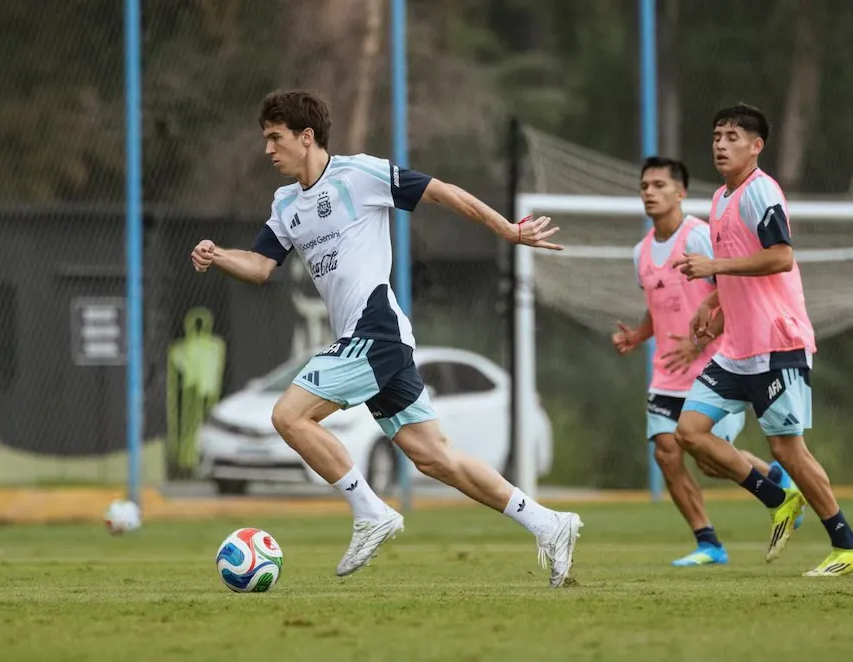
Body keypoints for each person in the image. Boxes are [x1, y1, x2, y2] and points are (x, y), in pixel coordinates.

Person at [190, 89, 583, 588]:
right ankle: (550, 525)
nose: (268, 149)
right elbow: (261, 266)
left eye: (275, 137)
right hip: (375, 344)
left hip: (375, 332)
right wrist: (218, 255)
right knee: (436, 457)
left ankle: (371, 512)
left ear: (306, 136)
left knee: (288, 415)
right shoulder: (286, 202)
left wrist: (506, 229)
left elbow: (443, 192)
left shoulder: (360, 174)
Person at [671, 103, 853, 576]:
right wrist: (713, 306)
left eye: (732, 136)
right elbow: (737, 270)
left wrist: (713, 269)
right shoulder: (720, 199)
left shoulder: (760, 191)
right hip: (737, 350)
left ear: (757, 146)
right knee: (689, 432)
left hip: (777, 342)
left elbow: (780, 258)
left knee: (786, 448)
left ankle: (846, 545)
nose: (721, 144)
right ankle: (778, 499)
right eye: (716, 135)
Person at [613, 156, 800, 567]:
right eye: (644, 185)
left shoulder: (699, 237)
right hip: (667, 372)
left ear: (680, 192)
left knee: (711, 461)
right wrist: (638, 335)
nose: (649, 192)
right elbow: (657, 308)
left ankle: (773, 479)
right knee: (666, 453)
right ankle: (709, 543)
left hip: (715, 365)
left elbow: (732, 294)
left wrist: (698, 346)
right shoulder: (640, 253)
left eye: (659, 185)